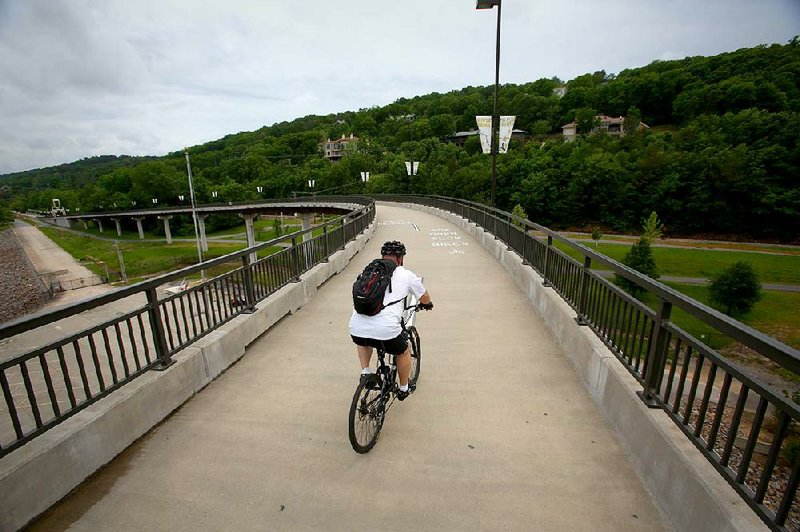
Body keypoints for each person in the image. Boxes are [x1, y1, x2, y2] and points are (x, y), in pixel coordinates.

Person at [349, 240, 433, 400]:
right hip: (386, 331)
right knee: (403, 351)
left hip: (356, 328)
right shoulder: (406, 275)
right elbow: (424, 297)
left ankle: (365, 372)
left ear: (383, 256)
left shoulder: (369, 272)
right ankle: (403, 388)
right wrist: (427, 304)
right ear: (400, 259)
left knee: (364, 339)